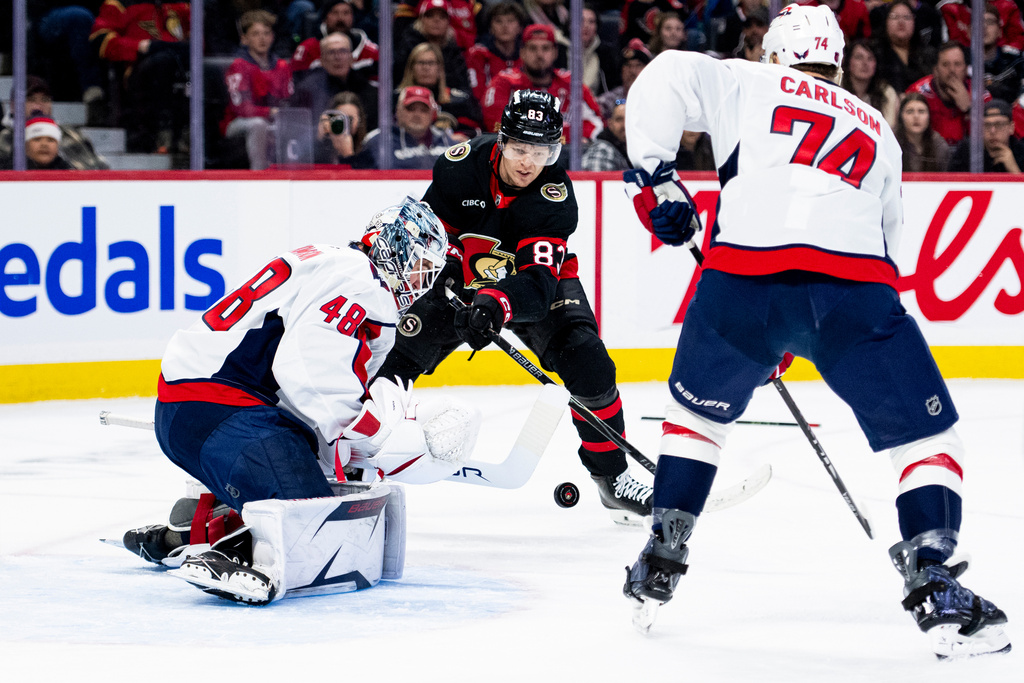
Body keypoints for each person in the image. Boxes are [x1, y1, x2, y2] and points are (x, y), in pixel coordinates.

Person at [620, 4, 1009, 658]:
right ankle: (934, 578)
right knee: (928, 439)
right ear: (836, 64)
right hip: (852, 289)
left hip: (739, 279)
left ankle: (662, 552)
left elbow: (662, 75)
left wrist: (656, 180)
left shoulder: (747, 79)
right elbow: (892, 252)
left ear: (775, 54)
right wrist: (814, 327)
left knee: (696, 418)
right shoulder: (878, 128)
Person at [122, 198, 472, 604]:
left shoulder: (336, 263)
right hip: (219, 409)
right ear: (396, 248)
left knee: (317, 476)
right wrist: (375, 435)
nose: (422, 281)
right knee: (310, 516)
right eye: (420, 266)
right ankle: (243, 556)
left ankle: (189, 531)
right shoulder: (362, 281)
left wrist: (349, 446)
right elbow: (308, 369)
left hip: (202, 409)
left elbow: (305, 388)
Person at [375, 89, 654, 524]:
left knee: (588, 361)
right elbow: (429, 241)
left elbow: (539, 286)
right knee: (394, 360)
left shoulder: (555, 196)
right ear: (502, 141)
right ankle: (355, 451)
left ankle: (613, 479)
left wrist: (495, 304)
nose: (528, 161)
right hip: (459, 282)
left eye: (541, 150)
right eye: (520, 147)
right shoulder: (458, 168)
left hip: (530, 285)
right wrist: (450, 283)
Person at [90, 0, 190, 154]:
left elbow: (199, 39)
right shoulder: (119, 4)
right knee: (162, 63)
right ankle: (163, 133)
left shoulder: (183, 6)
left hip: (179, 65)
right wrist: (140, 45)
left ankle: (191, 134)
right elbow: (100, 41)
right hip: (139, 69)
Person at [482, 24, 604, 142]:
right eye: (533, 48)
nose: (539, 55)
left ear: (555, 52)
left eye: (545, 48)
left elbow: (597, 123)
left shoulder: (571, 83)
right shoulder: (504, 82)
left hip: (567, 155)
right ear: (522, 52)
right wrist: (562, 135)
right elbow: (497, 126)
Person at [220, 10, 294, 171]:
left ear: (272, 37)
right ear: (244, 39)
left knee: (293, 123)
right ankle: (259, 174)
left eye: (266, 33)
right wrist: (271, 112)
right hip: (238, 124)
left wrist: (281, 114)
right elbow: (241, 109)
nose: (262, 38)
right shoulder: (239, 65)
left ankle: (291, 173)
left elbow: (288, 101)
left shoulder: (282, 66)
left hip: (272, 119)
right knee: (258, 125)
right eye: (255, 34)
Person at [0, 75, 109, 170]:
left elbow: (101, 169)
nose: (39, 106)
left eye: (45, 100)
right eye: (31, 100)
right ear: (13, 105)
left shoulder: (72, 134)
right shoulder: (4, 138)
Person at [292, 32, 379, 131]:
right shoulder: (306, 91)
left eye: (343, 51)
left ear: (351, 58)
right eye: (331, 52)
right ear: (322, 60)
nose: (338, 57)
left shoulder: (369, 91)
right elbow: (298, 131)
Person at [907, 41, 988, 147]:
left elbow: (990, 136)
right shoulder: (918, 93)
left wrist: (969, 109)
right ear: (935, 70)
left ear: (965, 69)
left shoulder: (980, 95)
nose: (952, 70)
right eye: (945, 65)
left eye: (957, 64)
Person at [397, 42, 482, 139]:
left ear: (440, 68)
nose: (426, 68)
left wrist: (458, 137)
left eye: (431, 63)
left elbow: (475, 132)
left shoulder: (459, 101)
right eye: (421, 62)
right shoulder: (397, 99)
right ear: (411, 68)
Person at [363, 85, 458, 169]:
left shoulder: (447, 141)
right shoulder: (379, 141)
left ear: (432, 114)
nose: (417, 114)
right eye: (411, 109)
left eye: (424, 110)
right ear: (398, 111)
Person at [290, 0, 379, 83]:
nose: (340, 18)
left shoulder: (371, 52)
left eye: (346, 13)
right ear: (324, 17)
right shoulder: (307, 50)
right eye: (335, 12)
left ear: (353, 17)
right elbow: (298, 87)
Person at [393, 0, 472, 93]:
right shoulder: (407, 47)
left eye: (442, 17)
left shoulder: (454, 53)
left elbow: (463, 89)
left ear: (448, 22)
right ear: (421, 19)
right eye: (430, 16)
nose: (436, 20)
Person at [466, 0, 526, 103]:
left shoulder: (527, 55)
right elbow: (477, 95)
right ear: (491, 28)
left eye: (510, 21)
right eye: (498, 21)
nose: (505, 26)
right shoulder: (478, 54)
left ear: (520, 28)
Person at [874, 0, 934, 93]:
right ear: (886, 21)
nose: (901, 22)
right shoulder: (875, 52)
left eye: (907, 17)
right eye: (895, 17)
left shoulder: (928, 54)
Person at [949, 99, 1024, 173]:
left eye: (999, 125)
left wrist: (1014, 169)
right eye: (986, 125)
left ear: (1011, 128)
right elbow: (952, 182)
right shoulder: (968, 151)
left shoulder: (1021, 151)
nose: (992, 131)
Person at [840, 40, 898, 128]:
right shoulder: (837, 88)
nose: (865, 63)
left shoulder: (886, 93)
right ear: (848, 62)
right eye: (859, 57)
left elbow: (889, 128)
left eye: (870, 58)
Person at [314, 91, 374, 167]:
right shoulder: (318, 151)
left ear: (359, 120)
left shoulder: (367, 152)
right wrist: (320, 141)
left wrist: (349, 155)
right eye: (340, 119)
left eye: (349, 119)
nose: (344, 124)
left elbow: (361, 177)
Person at [597, 39, 653, 121]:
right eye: (628, 65)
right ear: (621, 71)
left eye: (639, 65)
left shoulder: (655, 98)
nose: (632, 71)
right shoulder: (608, 101)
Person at [895, 92, 951, 172]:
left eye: (921, 111)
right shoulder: (891, 142)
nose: (916, 116)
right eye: (910, 111)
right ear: (901, 117)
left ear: (929, 117)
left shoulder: (939, 146)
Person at [982, 4, 1024, 105]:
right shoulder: (962, 61)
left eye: (990, 22)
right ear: (970, 31)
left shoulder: (1016, 60)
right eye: (979, 22)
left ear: (1000, 31)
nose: (984, 27)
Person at [0, 116, 73, 170]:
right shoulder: (8, 170)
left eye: (50, 140)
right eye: (37, 139)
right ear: (26, 146)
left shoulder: (70, 173)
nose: (44, 144)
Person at [581, 100, 630, 171]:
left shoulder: (635, 150)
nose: (624, 125)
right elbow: (597, 179)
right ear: (610, 124)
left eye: (628, 119)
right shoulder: (603, 150)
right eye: (619, 119)